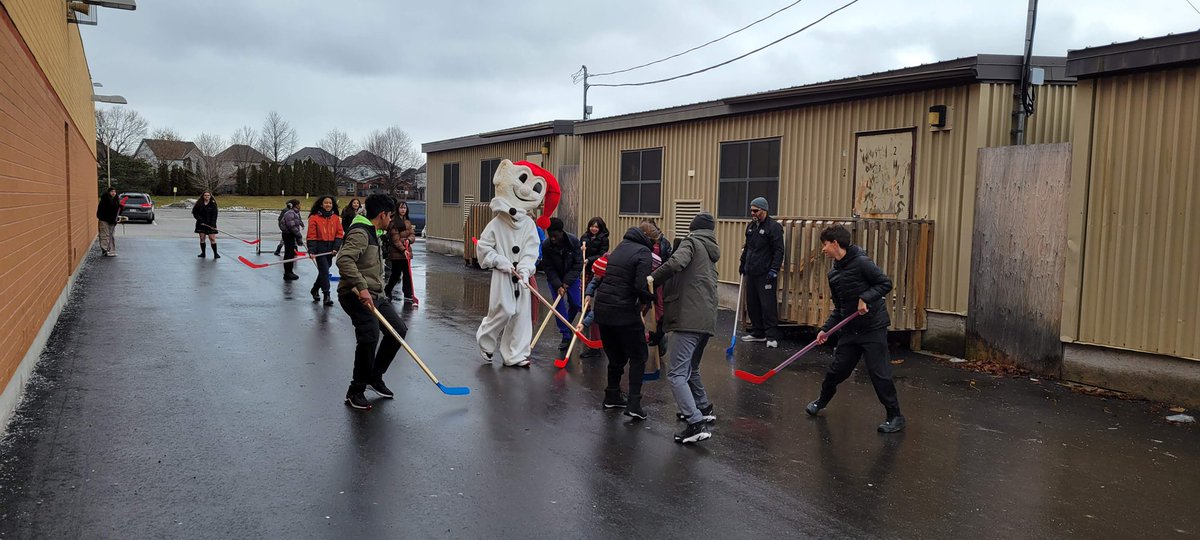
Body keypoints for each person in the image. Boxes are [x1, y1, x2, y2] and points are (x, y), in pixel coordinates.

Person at [807, 224, 905, 433]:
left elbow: (885, 284)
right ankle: (821, 402)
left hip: (872, 327)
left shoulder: (862, 262)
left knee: (879, 374)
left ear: (835, 243)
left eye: (825, 245)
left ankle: (895, 416)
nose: (823, 249)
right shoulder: (834, 274)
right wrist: (826, 329)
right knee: (836, 371)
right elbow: (840, 308)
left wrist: (865, 298)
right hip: (850, 330)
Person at [476, 160, 560, 368]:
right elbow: (484, 247)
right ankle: (486, 341)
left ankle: (515, 354)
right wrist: (498, 260)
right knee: (502, 309)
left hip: (521, 278)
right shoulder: (496, 223)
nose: (525, 188)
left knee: (521, 315)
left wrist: (526, 267)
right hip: (503, 274)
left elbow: (532, 250)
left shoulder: (529, 225)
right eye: (522, 179)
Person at [649, 212, 720, 444]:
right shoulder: (710, 252)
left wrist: (651, 279)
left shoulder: (691, 242)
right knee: (692, 367)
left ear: (693, 228)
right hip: (706, 319)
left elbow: (676, 262)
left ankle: (695, 422)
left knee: (677, 373)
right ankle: (703, 407)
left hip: (688, 319)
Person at [336, 194, 404, 410]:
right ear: (382, 214)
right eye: (390, 215)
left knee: (398, 331)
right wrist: (362, 287)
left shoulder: (376, 232)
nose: (391, 219)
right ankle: (355, 390)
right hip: (354, 294)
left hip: (376, 294)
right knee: (369, 336)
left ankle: (375, 377)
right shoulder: (360, 232)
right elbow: (344, 259)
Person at [592, 226, 656, 419]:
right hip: (624, 311)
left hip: (603, 309)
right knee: (638, 356)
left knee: (616, 356)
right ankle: (634, 404)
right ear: (649, 239)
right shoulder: (644, 252)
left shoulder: (621, 246)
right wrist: (649, 298)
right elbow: (639, 284)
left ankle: (612, 395)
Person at [738, 196, 784, 348]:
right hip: (752, 271)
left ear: (763, 210)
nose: (753, 213)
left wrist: (774, 269)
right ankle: (758, 333)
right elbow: (748, 247)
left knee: (767, 305)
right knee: (752, 303)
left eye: (755, 210)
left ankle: (771, 335)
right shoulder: (751, 227)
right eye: (751, 210)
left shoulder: (773, 227)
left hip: (765, 273)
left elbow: (778, 251)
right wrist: (742, 263)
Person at [540, 217, 583, 352]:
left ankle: (568, 324)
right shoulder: (546, 245)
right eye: (550, 234)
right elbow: (548, 267)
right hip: (555, 279)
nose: (552, 238)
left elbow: (578, 264)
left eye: (555, 235)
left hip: (571, 277)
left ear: (561, 232)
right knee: (558, 307)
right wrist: (558, 284)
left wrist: (567, 282)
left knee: (576, 304)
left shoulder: (573, 242)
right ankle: (565, 335)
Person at [306, 195, 344, 306]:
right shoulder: (314, 218)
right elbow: (311, 235)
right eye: (326, 203)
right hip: (319, 248)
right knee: (324, 271)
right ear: (321, 204)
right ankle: (326, 295)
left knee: (324, 271)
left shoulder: (336, 218)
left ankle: (314, 289)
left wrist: (336, 248)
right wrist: (312, 250)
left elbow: (339, 234)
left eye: (330, 203)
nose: (328, 205)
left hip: (331, 248)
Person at [385, 200, 417, 304]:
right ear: (397, 209)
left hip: (407, 252)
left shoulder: (408, 221)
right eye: (401, 208)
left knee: (407, 274)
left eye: (404, 208)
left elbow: (412, 234)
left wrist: (409, 240)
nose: (403, 210)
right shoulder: (393, 222)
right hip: (397, 253)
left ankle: (408, 294)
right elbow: (395, 239)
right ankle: (387, 290)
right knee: (396, 274)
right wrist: (403, 249)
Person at [279, 199, 305, 280]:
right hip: (288, 235)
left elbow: (296, 222)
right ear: (295, 205)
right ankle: (287, 273)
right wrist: (298, 235)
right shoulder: (290, 213)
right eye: (299, 204)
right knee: (288, 254)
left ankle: (290, 271)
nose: (300, 206)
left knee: (291, 254)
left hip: (291, 235)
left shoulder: (295, 213)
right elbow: (292, 226)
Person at [192, 191, 219, 259]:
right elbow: (195, 213)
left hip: (210, 224)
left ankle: (215, 254)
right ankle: (203, 253)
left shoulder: (213, 204)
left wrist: (213, 224)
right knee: (202, 238)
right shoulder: (199, 204)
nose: (207, 196)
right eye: (205, 195)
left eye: (208, 195)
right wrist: (200, 220)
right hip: (201, 224)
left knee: (212, 238)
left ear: (210, 196)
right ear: (203, 196)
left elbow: (214, 215)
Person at [95, 187, 122, 257]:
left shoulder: (116, 200)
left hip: (112, 221)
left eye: (115, 192)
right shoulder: (105, 200)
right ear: (109, 192)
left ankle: (111, 250)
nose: (113, 193)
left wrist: (121, 208)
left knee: (111, 235)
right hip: (104, 220)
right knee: (104, 235)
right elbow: (105, 211)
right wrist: (111, 218)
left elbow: (117, 211)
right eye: (112, 191)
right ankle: (105, 250)